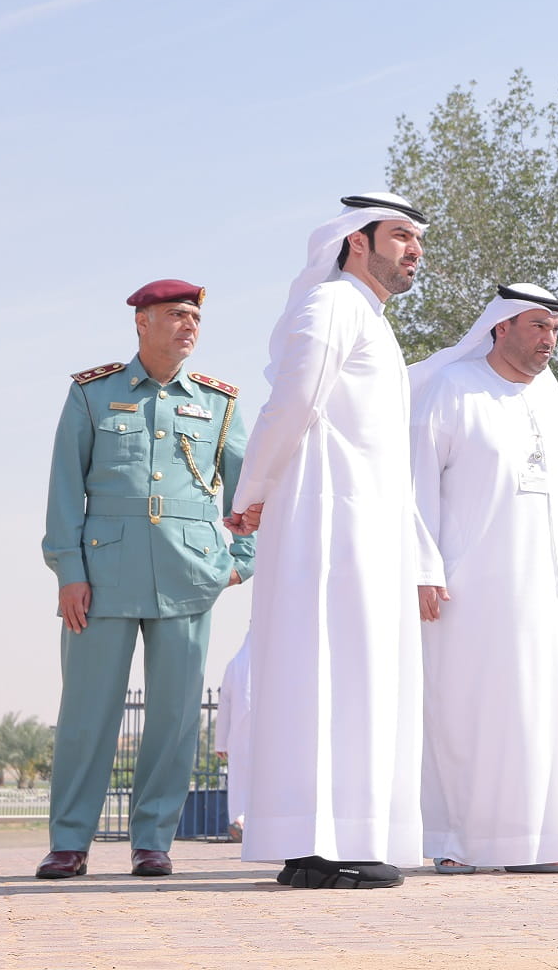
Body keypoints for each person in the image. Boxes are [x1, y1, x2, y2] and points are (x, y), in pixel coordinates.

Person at [224, 192, 432, 889]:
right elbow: (290, 404)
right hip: (327, 522)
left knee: (356, 675)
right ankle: (316, 844)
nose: (414, 250)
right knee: (322, 671)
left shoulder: (368, 317)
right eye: (400, 236)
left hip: (365, 525)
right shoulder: (332, 304)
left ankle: (335, 839)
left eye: (418, 239)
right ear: (355, 243)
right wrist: (252, 491)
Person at [38, 280, 254, 880]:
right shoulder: (93, 393)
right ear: (142, 322)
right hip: (101, 577)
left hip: (189, 575)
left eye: (195, 318)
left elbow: (253, 493)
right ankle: (69, 841)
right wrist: (68, 571)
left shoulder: (219, 403)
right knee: (86, 714)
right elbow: (64, 488)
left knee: (175, 717)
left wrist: (241, 560)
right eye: (176, 315)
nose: (189, 326)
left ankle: (153, 841)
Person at [408, 284, 558, 874]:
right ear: (501, 327)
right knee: (469, 713)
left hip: (551, 591)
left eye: (555, 329)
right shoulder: (452, 388)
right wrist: (421, 566)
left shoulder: (551, 395)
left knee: (543, 712)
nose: (550, 340)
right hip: (470, 588)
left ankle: (534, 842)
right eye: (539, 326)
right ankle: (460, 842)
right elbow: (415, 485)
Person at [215, 631, 252, 842]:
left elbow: (224, 704)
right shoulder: (275, 661)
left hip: (238, 735)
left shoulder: (235, 664)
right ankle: (248, 821)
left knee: (240, 782)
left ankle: (240, 819)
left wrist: (220, 742)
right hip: (267, 734)